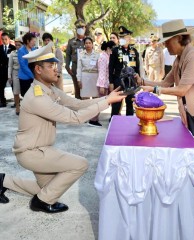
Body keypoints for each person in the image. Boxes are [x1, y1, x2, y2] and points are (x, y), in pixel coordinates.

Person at [0, 42, 125, 212]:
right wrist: (106, 103)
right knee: (80, 164)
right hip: (32, 153)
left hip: (40, 149)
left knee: (44, 190)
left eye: (55, 64)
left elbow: (77, 104)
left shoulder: (48, 89)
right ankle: (41, 202)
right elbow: (74, 118)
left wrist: (107, 98)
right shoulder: (37, 97)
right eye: (51, 65)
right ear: (38, 70)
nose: (56, 68)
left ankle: (3, 181)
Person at [136, 19, 194, 217]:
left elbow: (181, 90)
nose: (165, 45)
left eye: (167, 41)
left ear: (178, 38)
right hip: (193, 117)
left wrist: (155, 89)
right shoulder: (179, 59)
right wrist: (143, 82)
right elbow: (165, 82)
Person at [109, 26, 140, 119]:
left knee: (130, 103)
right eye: (121, 37)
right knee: (116, 104)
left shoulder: (134, 51)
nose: (122, 39)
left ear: (129, 38)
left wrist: (138, 78)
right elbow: (110, 67)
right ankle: (113, 121)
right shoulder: (115, 50)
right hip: (118, 80)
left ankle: (129, 122)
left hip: (131, 81)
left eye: (124, 37)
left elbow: (137, 67)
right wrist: (111, 82)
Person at [77, 37, 101, 127]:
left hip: (95, 77)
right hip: (84, 77)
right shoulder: (81, 54)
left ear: (92, 44)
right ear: (84, 44)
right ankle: (86, 117)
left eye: (89, 43)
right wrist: (78, 79)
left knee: (96, 99)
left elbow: (100, 68)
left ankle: (94, 119)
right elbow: (79, 68)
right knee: (85, 99)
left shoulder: (97, 55)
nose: (88, 45)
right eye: (86, 43)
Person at [65, 19, 87, 99]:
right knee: (77, 88)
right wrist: (67, 66)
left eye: (82, 27)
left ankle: (86, 107)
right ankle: (78, 108)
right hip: (75, 67)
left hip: (86, 68)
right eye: (79, 27)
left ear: (85, 28)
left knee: (86, 88)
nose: (81, 29)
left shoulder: (88, 41)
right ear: (76, 29)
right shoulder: (71, 41)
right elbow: (67, 55)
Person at [0, 32, 16, 107]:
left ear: (9, 39)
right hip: (2, 70)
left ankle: (16, 102)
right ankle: (2, 101)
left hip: (11, 70)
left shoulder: (13, 48)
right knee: (1, 86)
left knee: (13, 86)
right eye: (2, 39)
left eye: (6, 39)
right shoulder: (0, 48)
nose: (4, 41)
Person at [18, 32, 36, 97]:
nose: (34, 43)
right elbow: (23, 66)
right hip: (25, 77)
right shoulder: (21, 51)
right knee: (26, 96)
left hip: (33, 76)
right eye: (33, 41)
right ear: (28, 41)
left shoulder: (34, 49)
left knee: (34, 96)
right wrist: (32, 76)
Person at [8, 37, 22, 115]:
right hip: (15, 73)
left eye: (19, 45)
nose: (17, 46)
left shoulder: (25, 53)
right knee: (16, 91)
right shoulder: (12, 53)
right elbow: (10, 66)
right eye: (16, 45)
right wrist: (9, 76)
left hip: (24, 73)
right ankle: (17, 106)